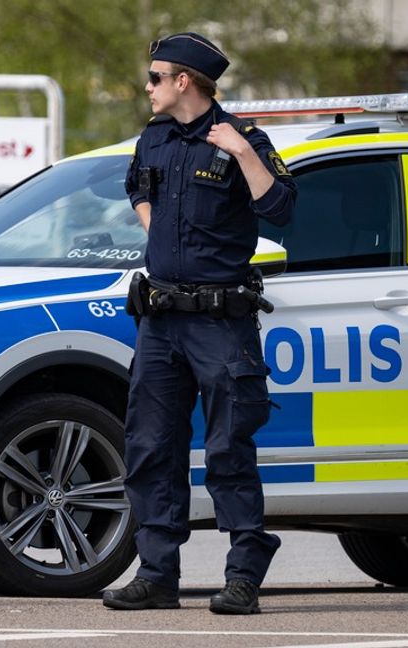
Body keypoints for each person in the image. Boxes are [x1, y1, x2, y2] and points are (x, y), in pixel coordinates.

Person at [103, 33, 296, 615]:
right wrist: (157, 232)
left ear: (184, 81)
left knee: (227, 451)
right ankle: (158, 576)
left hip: (220, 324)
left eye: (156, 77)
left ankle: (243, 577)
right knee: (150, 448)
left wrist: (240, 152)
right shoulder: (155, 137)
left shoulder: (245, 141)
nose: (149, 87)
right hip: (160, 321)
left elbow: (281, 209)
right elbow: (138, 185)